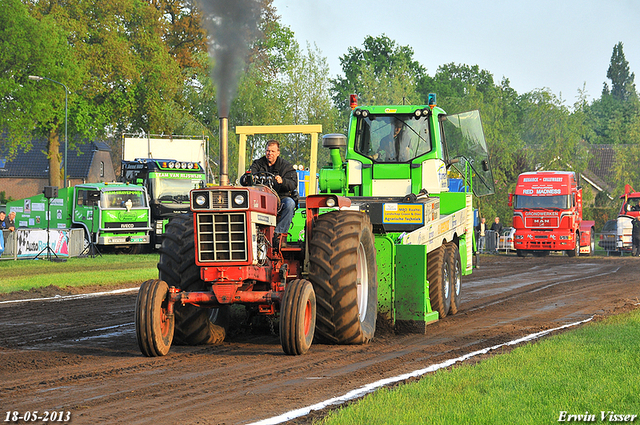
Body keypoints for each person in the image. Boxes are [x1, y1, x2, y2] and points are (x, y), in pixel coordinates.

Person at [243, 140, 298, 243]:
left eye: (272, 151)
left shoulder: (286, 166)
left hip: (280, 198)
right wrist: (246, 179)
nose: (270, 154)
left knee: (290, 204)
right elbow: (247, 176)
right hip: (261, 198)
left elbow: (293, 183)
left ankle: (278, 235)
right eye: (268, 151)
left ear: (278, 152)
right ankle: (249, 235)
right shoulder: (258, 163)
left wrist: (283, 181)